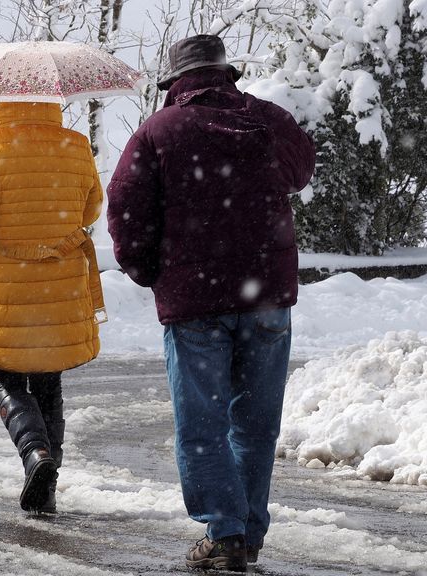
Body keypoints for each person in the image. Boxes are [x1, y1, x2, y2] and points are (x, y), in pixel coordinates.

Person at [106, 35, 315, 571]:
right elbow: (301, 171)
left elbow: (125, 210)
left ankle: (225, 534)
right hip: (265, 295)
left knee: (202, 422)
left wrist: (149, 271)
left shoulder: (156, 131)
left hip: (193, 300)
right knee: (255, 422)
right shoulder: (266, 118)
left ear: (175, 82)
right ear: (227, 73)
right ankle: (248, 532)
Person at [0, 102, 104, 513]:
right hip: (60, 282)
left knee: (8, 379)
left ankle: (35, 455)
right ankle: (47, 490)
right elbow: (91, 207)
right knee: (49, 379)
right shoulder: (76, 144)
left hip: (7, 280)